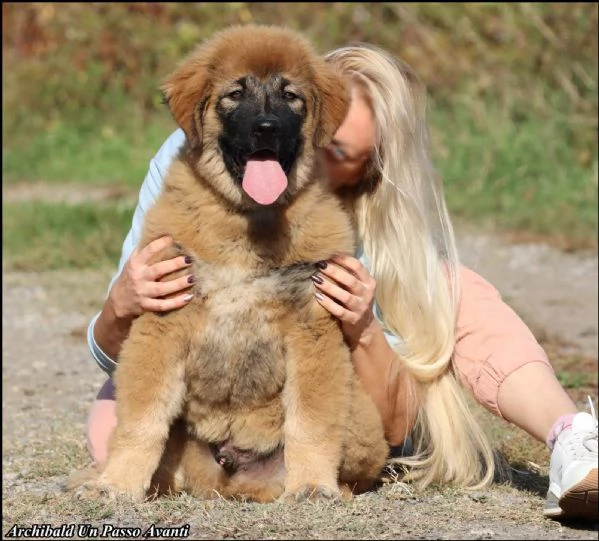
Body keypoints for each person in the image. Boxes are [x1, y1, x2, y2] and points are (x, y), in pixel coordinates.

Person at [85, 42, 598, 521]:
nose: (273, 130)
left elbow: (391, 425)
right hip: (203, 395)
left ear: (370, 167)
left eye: (339, 153)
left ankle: (573, 439)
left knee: (462, 292)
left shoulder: (374, 231)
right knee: (109, 432)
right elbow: (119, 349)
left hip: (328, 405)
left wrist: (362, 330)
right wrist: (121, 305)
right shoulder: (195, 157)